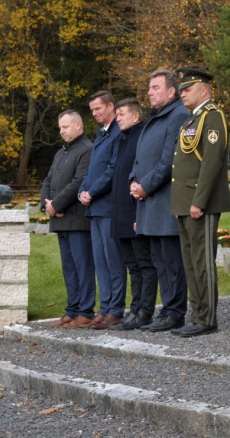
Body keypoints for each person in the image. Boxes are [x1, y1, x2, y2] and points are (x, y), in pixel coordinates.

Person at [170, 68, 230, 338]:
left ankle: (206, 318)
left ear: (204, 90)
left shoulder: (213, 117)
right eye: (181, 90)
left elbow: (211, 163)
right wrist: (181, 204)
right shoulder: (192, 119)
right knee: (191, 262)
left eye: (188, 89)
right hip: (185, 202)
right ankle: (196, 314)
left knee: (203, 261)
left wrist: (199, 201)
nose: (182, 93)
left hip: (199, 202)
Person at [130, 70, 190, 332]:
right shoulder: (156, 118)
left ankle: (175, 312)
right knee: (159, 261)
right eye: (149, 87)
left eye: (155, 87)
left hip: (165, 201)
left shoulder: (178, 116)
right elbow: (141, 157)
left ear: (171, 91)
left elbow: (169, 162)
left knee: (172, 261)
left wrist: (145, 185)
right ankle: (166, 309)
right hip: (149, 202)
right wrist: (134, 179)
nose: (150, 92)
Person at [42, 110, 96, 328]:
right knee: (69, 268)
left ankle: (85, 311)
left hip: (77, 219)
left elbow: (78, 183)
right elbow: (48, 180)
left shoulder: (87, 150)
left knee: (83, 267)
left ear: (78, 126)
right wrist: (46, 204)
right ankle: (71, 310)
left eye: (65, 127)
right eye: (60, 127)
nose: (61, 131)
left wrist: (56, 205)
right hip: (61, 218)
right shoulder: (60, 153)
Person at [109, 98, 157, 331]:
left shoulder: (141, 137)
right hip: (119, 211)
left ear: (135, 116)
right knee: (131, 264)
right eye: (117, 114)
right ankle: (134, 308)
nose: (117, 118)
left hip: (135, 210)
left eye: (122, 114)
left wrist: (138, 214)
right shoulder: (121, 139)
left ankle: (144, 311)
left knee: (144, 263)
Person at [78, 90, 124, 330]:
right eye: (92, 110)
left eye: (98, 108)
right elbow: (91, 170)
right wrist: (83, 191)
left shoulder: (118, 133)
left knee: (112, 259)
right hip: (94, 207)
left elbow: (112, 170)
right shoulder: (100, 135)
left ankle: (116, 309)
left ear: (111, 106)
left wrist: (92, 191)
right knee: (100, 261)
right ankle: (104, 307)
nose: (94, 113)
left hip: (108, 206)